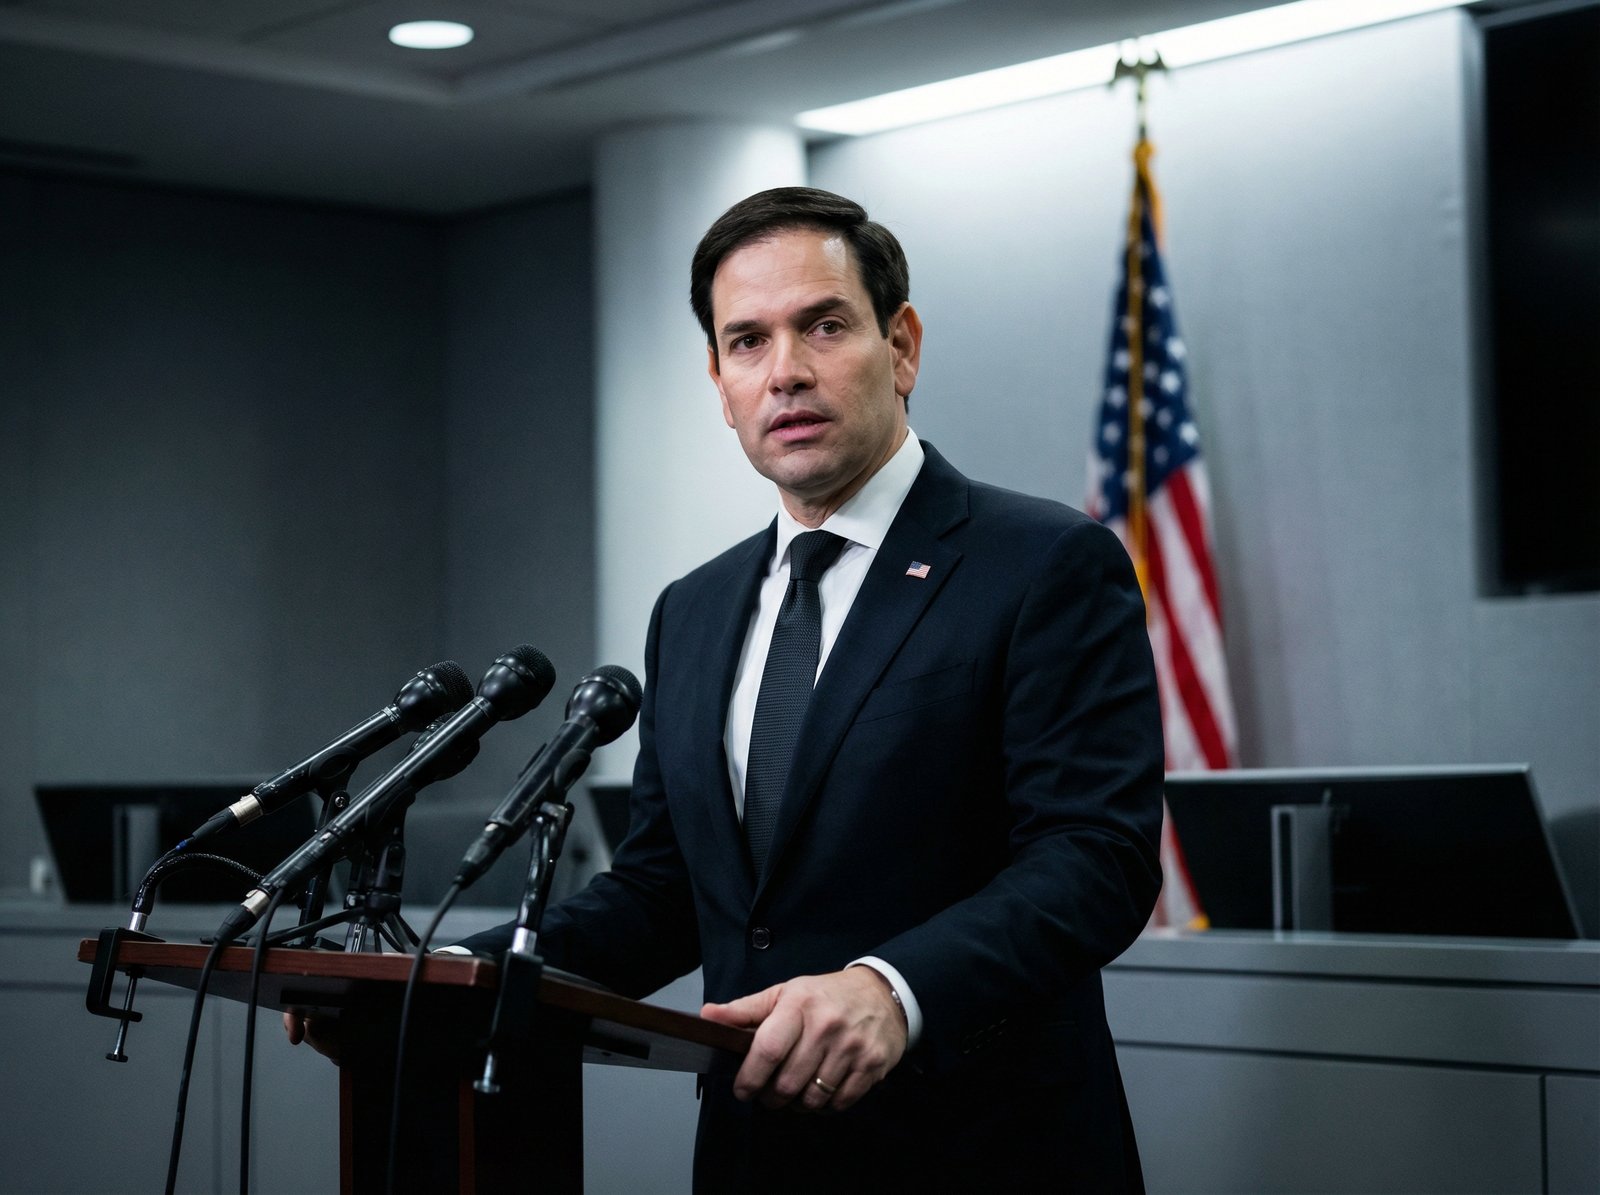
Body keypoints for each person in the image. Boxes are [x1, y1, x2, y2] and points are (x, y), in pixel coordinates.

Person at [291, 186, 1165, 1192]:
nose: (784, 371)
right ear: (718, 377)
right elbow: (665, 892)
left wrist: (894, 987)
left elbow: (1093, 857)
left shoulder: (1043, 562)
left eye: (823, 326)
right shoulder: (695, 609)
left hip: (987, 1148)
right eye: (746, 341)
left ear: (903, 344)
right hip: (758, 1153)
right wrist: (434, 986)